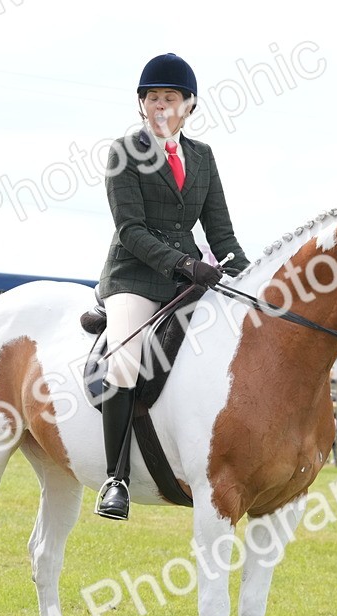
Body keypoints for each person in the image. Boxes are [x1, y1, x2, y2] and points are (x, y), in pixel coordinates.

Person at [95, 52, 250, 521]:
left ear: (189, 106)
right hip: (135, 276)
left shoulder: (202, 157)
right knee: (124, 357)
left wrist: (249, 276)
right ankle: (115, 479)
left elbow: (220, 233)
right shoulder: (124, 152)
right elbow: (131, 229)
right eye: (153, 98)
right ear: (142, 105)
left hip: (189, 281)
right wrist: (185, 262)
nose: (162, 106)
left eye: (171, 98)